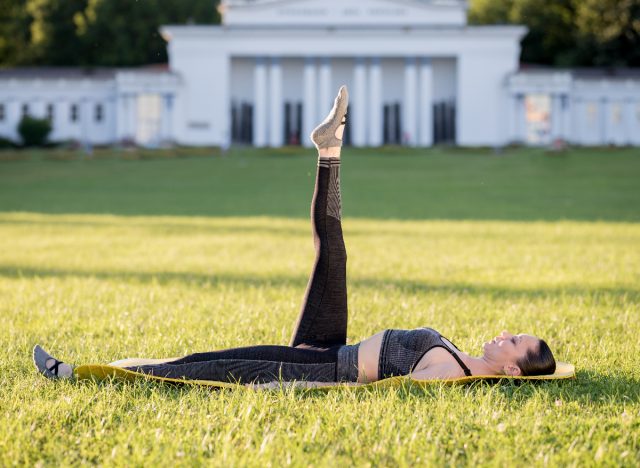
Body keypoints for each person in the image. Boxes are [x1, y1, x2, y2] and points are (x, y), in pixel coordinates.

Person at [33, 86, 556, 386]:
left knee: (206, 368)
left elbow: (383, 393)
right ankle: (329, 149)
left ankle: (79, 372)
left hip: (322, 367)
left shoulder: (451, 376)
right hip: (333, 343)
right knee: (333, 247)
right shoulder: (460, 356)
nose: (504, 334)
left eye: (514, 341)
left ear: (511, 368)